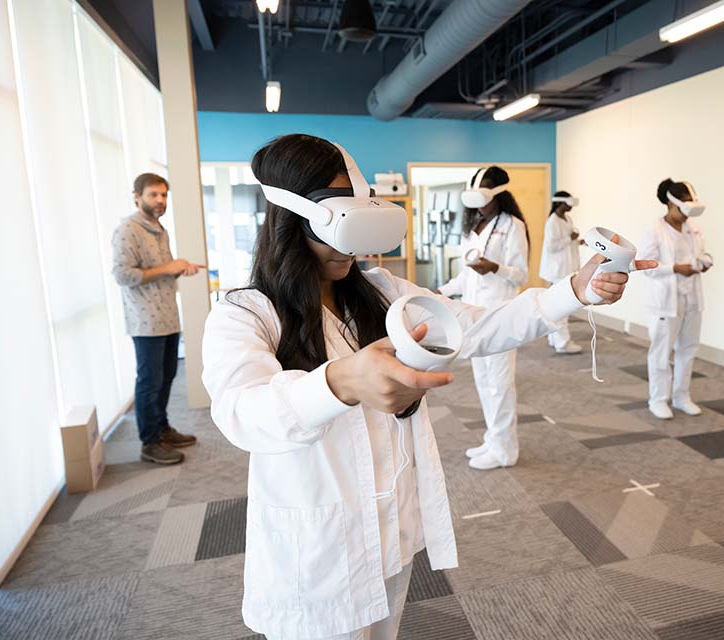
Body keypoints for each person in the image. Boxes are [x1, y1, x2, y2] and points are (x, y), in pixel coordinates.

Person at [200, 135, 639, 640]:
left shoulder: (383, 292)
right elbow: (241, 411)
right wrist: (341, 382)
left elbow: (480, 325)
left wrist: (574, 290)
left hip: (389, 529)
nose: (349, 246)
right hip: (317, 549)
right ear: (292, 216)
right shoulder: (244, 313)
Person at [438, 166, 530, 471]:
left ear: (499, 191)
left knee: (500, 384)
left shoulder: (512, 225)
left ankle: (506, 450)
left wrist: (495, 268)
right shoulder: (473, 225)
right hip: (473, 315)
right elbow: (466, 277)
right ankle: (493, 439)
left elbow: (521, 275)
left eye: (484, 187)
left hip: (500, 314)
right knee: (483, 380)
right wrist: (440, 291)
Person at [112, 173, 203, 464]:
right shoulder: (128, 229)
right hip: (145, 320)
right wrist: (168, 268)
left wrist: (180, 268)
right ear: (136, 196)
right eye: (153, 194)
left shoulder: (158, 228)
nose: (160, 200)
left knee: (167, 376)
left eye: (164, 195)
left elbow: (158, 269)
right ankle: (150, 442)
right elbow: (123, 275)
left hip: (167, 316)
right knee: (150, 380)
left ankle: (162, 429)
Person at [639, 178, 710, 420]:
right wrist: (675, 268)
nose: (687, 215)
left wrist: (703, 262)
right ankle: (658, 399)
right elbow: (646, 266)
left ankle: (682, 397)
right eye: (684, 208)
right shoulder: (654, 229)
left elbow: (700, 253)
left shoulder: (692, 228)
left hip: (691, 298)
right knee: (661, 352)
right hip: (665, 300)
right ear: (671, 204)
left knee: (688, 349)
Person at [540, 190, 585, 354]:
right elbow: (552, 247)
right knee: (562, 306)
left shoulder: (566, 219)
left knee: (557, 305)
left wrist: (578, 241)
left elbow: (565, 243)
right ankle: (562, 342)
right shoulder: (552, 222)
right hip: (558, 270)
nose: (570, 207)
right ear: (559, 203)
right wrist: (570, 238)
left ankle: (554, 338)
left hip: (566, 268)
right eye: (568, 203)